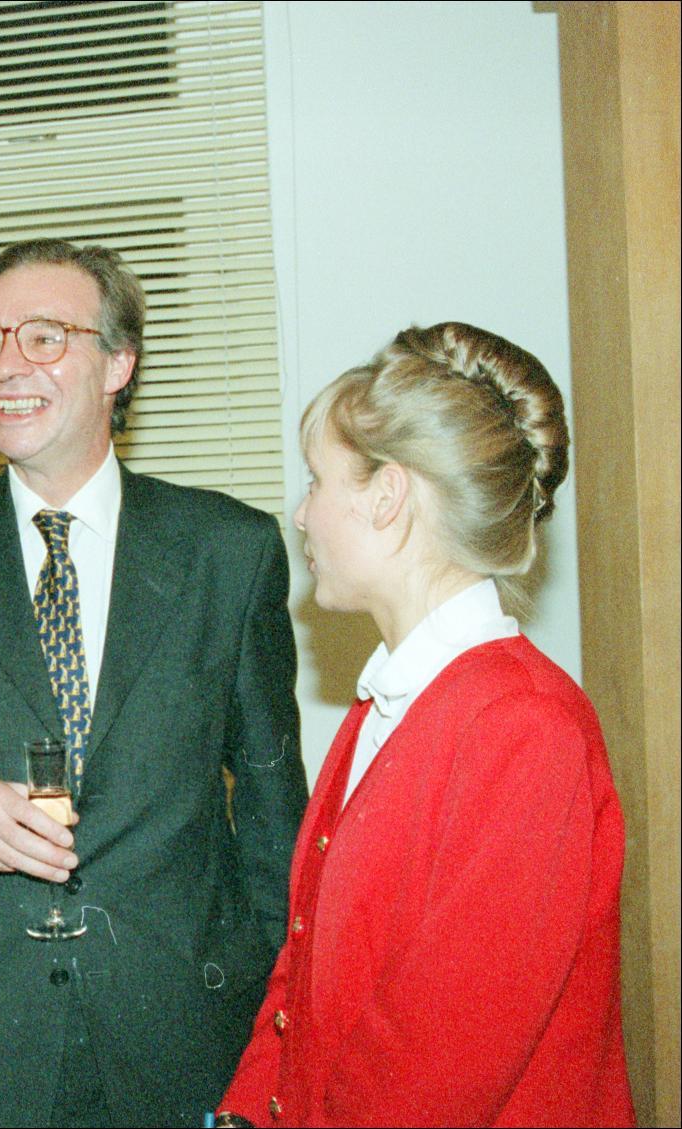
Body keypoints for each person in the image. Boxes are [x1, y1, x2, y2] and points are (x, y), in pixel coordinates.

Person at [0, 238, 308, 1126]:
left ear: (118, 364)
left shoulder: (228, 552)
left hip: (182, 1044)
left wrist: (275, 1015)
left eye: (43, 336)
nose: (4, 365)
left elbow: (276, 820)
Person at [215, 323, 634, 1127]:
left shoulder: (525, 727)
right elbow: (301, 979)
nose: (300, 515)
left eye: (317, 481)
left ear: (388, 497)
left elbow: (430, 1070)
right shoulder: (388, 703)